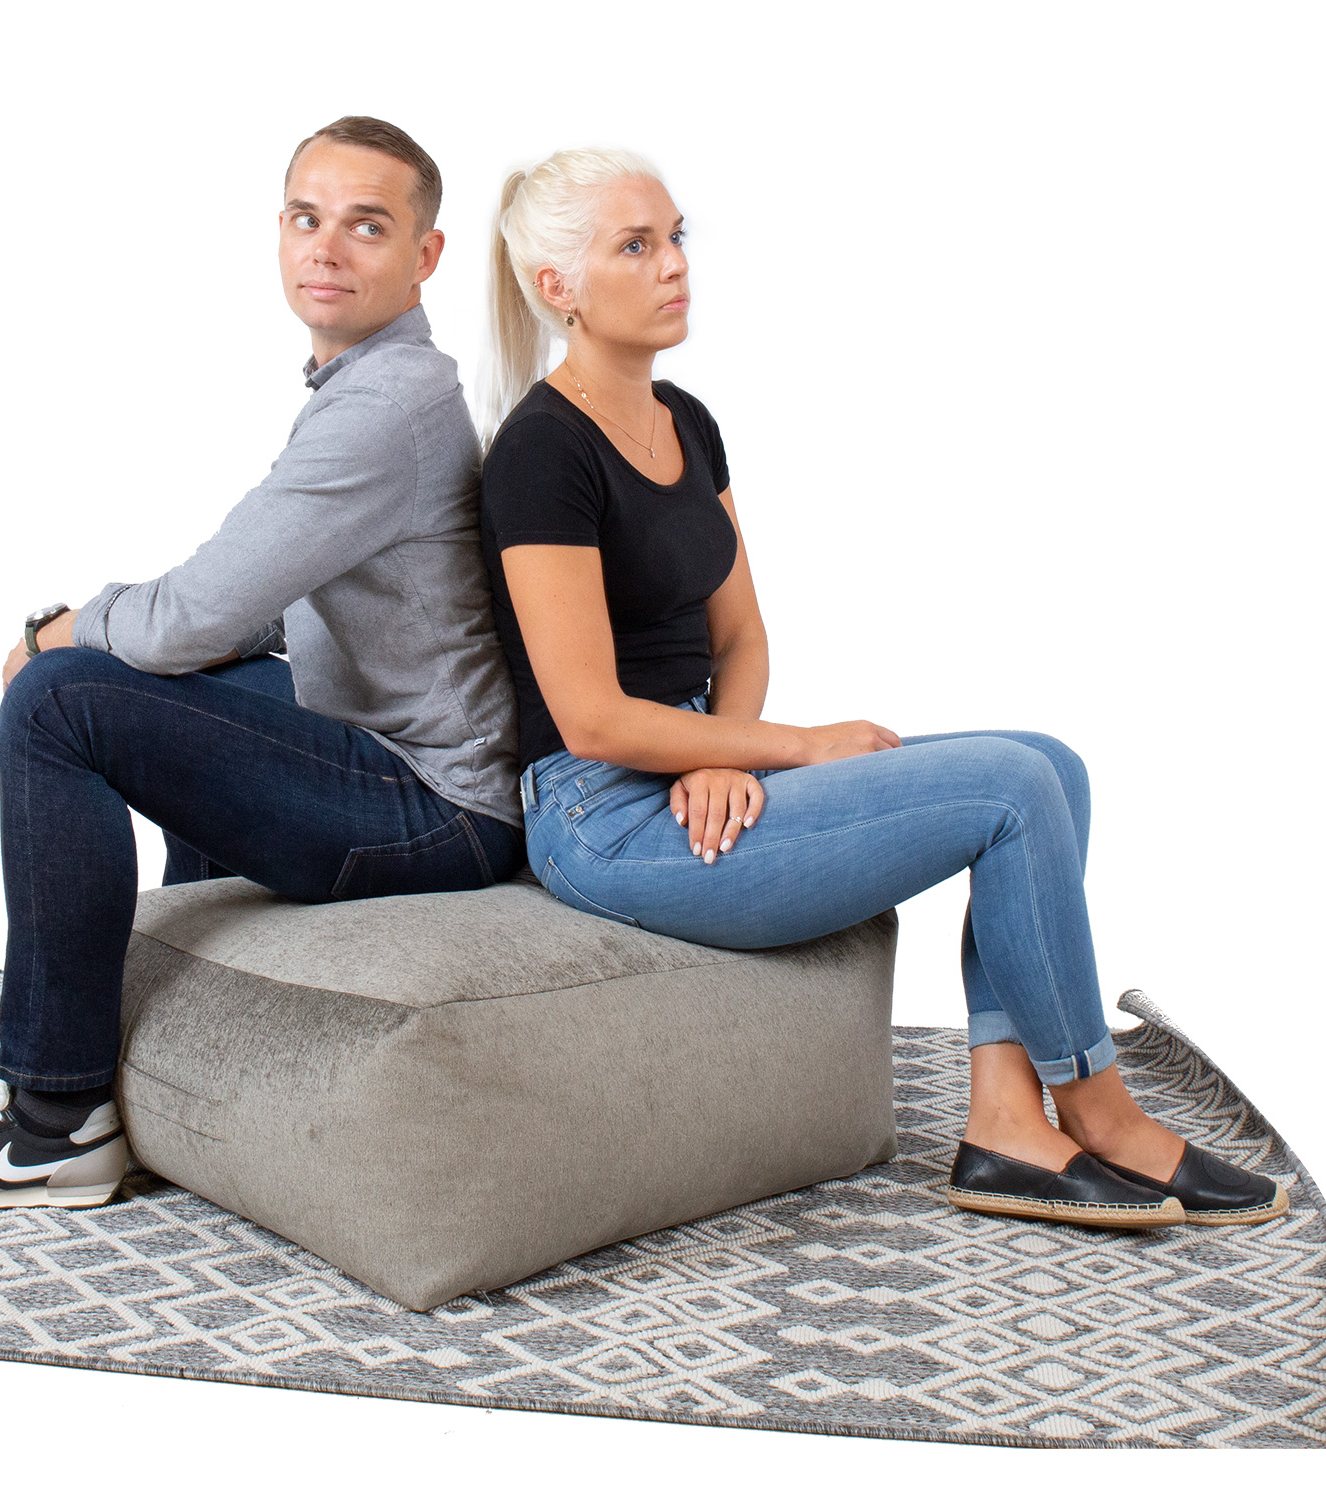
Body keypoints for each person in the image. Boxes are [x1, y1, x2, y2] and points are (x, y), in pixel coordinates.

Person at [477, 148, 1285, 1230]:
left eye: (675, 236)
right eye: (637, 245)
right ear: (557, 286)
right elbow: (588, 716)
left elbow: (740, 631)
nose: (675, 264)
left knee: (1052, 767)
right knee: (1009, 790)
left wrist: (722, 748)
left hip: (690, 766)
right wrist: (794, 744)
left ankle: (1006, 1118)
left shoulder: (687, 421)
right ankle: (1101, 1109)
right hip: (605, 817)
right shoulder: (540, 453)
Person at [0, 117, 524, 1211]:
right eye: (306, 218)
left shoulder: (384, 406)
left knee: (58, 701)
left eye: (367, 226)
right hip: (402, 770)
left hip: (438, 811)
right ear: (279, 231)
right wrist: (154, 640)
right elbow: (245, 614)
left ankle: (51, 1120)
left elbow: (192, 614)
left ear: (427, 255)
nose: (327, 248)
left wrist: (53, 630)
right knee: (154, 682)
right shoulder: (371, 386)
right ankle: (176, 1052)